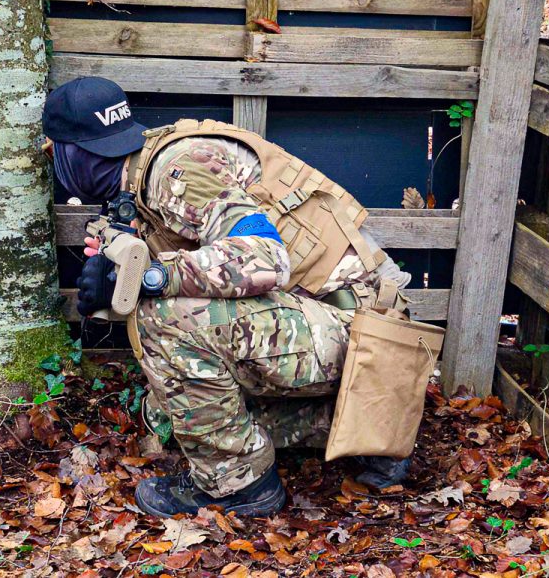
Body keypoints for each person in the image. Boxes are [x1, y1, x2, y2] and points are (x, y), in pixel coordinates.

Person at [43, 77, 414, 517]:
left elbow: (266, 258)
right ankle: (368, 432)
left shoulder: (178, 171)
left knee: (165, 317)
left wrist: (150, 277)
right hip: (354, 336)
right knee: (169, 413)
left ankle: (239, 484)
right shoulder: (143, 176)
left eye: (54, 152)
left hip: (371, 340)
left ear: (77, 154)